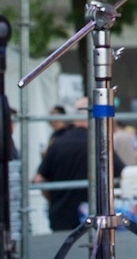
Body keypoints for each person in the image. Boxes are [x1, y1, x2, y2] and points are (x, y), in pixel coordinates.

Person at [33, 96, 125, 231]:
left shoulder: (57, 143)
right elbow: (122, 173)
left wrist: (54, 200)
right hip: (94, 219)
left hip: (60, 218)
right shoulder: (100, 143)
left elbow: (38, 180)